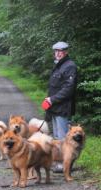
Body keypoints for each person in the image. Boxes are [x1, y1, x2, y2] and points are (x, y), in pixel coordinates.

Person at [42, 41, 77, 172]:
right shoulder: (58, 65)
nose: (57, 53)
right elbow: (53, 87)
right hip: (54, 107)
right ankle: (58, 163)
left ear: (66, 52)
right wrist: (49, 101)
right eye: (56, 51)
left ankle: (66, 165)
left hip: (63, 108)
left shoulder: (70, 66)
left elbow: (69, 88)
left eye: (60, 51)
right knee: (57, 138)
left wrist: (52, 99)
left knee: (64, 139)